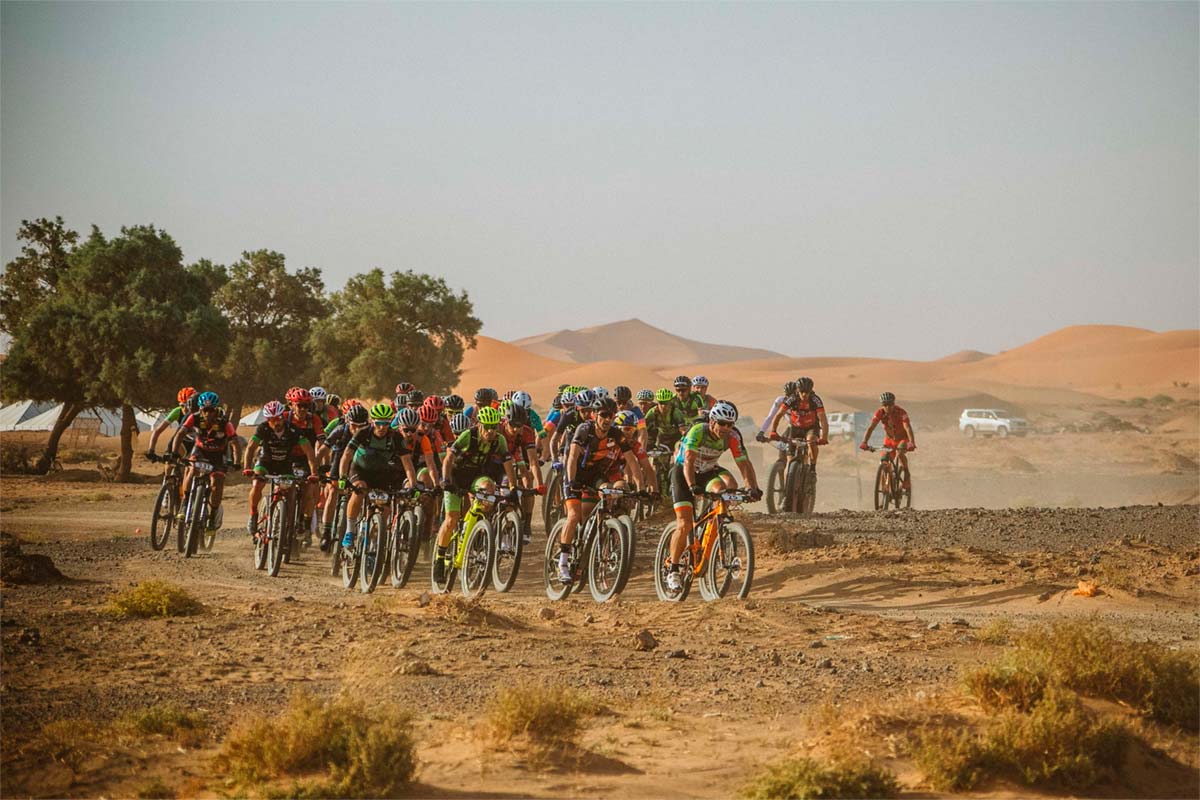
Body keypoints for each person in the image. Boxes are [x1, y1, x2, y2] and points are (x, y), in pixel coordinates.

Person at [665, 401, 761, 592]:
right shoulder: (698, 431)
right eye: (722, 423)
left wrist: (752, 487)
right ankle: (673, 570)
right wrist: (692, 486)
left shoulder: (732, 436)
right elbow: (689, 461)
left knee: (726, 490)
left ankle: (716, 526)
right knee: (684, 524)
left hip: (708, 470)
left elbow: (744, 463)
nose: (726, 428)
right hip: (684, 473)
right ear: (712, 421)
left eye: (730, 424)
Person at [556, 397, 644, 583]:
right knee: (573, 515)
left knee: (610, 492)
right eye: (603, 414)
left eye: (610, 415)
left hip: (595, 475)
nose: (607, 419)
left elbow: (632, 461)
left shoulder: (616, 434)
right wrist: (571, 481)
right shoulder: (584, 429)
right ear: (595, 415)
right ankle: (562, 563)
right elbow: (572, 457)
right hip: (575, 474)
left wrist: (641, 489)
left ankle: (602, 530)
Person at [433, 406, 517, 584]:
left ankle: (477, 529)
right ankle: (440, 558)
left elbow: (508, 463)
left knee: (488, 487)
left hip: (476, 476)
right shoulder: (468, 435)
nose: (490, 431)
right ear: (479, 425)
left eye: (494, 427)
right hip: (456, 477)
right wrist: (446, 480)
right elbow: (449, 458)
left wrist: (513, 488)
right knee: (451, 519)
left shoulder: (499, 440)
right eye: (487, 427)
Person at [338, 403, 421, 550]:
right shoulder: (363, 432)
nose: (382, 427)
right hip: (360, 469)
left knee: (385, 508)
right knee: (359, 490)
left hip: (383, 473)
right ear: (372, 422)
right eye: (379, 423)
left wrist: (413, 485)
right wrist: (342, 478)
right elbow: (346, 455)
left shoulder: (395, 437)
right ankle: (350, 531)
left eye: (386, 423)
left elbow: (407, 464)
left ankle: (374, 542)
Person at [241, 400, 319, 536]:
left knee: (291, 492)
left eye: (278, 418)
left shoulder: (293, 429)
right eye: (272, 420)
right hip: (265, 462)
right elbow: (251, 447)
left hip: (285, 465)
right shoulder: (263, 428)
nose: (276, 422)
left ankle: (288, 523)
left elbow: (309, 451)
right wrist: (247, 468)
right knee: (258, 483)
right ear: (267, 419)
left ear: (283, 416)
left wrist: (313, 473)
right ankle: (253, 515)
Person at [177, 391, 241, 530]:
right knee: (192, 468)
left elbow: (234, 443)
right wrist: (173, 453)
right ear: (200, 409)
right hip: (200, 450)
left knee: (217, 482)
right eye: (205, 410)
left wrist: (236, 462)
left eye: (211, 410)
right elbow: (180, 433)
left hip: (219, 454)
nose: (208, 413)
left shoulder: (224, 422)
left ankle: (214, 513)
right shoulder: (194, 417)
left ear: (216, 408)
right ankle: (185, 502)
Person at [316, 401, 367, 550]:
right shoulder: (339, 430)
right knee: (332, 490)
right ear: (347, 422)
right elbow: (323, 450)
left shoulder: (368, 433)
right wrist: (316, 470)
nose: (357, 429)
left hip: (358, 465)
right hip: (338, 462)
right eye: (354, 425)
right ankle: (326, 532)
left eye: (361, 426)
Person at [765, 376, 828, 472]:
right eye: (802, 391)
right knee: (789, 462)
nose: (804, 394)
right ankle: (788, 486)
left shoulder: (815, 400)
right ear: (797, 390)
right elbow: (779, 415)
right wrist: (773, 431)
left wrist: (824, 437)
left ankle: (812, 468)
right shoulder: (792, 398)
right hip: (795, 427)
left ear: (811, 391)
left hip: (811, 427)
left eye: (807, 392)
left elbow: (823, 419)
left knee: (811, 441)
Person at [859, 392, 916, 487]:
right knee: (884, 460)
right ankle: (886, 488)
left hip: (902, 439)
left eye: (890, 404)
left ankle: (906, 475)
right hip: (889, 440)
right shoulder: (880, 413)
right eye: (885, 405)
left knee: (900, 453)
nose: (888, 407)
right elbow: (871, 428)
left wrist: (911, 442)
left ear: (894, 403)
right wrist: (864, 442)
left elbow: (907, 427)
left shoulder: (901, 412)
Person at [147, 386, 199, 469]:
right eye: (182, 405)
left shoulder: (201, 413)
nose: (184, 409)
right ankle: (168, 478)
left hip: (197, 442)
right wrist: (151, 449)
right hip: (183, 440)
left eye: (188, 405)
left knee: (193, 468)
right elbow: (158, 431)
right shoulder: (177, 411)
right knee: (169, 463)